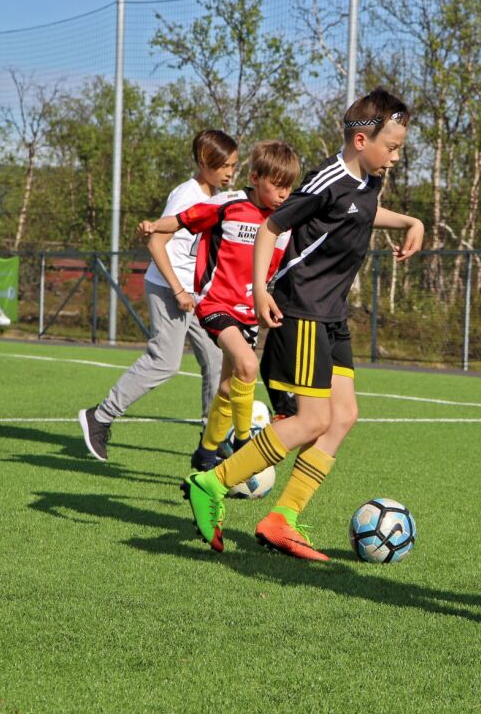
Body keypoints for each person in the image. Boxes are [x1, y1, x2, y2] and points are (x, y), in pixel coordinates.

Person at [180, 88, 424, 558]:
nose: (395, 157)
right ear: (359, 140)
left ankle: (282, 518)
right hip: (302, 309)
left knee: (345, 415)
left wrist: (409, 221)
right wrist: (261, 290)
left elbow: (363, 213)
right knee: (311, 419)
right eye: (391, 147)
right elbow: (271, 228)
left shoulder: (369, 182)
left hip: (333, 315)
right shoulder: (325, 181)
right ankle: (211, 481)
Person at [136, 140, 301, 473]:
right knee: (247, 366)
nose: (284, 194)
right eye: (277, 185)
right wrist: (155, 225)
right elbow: (184, 219)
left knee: (229, 386)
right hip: (214, 303)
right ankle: (242, 445)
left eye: (289, 187)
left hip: (250, 313)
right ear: (255, 177)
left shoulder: (287, 220)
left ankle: (206, 449)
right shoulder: (228, 204)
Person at [78, 130, 237, 461]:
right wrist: (178, 289)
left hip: (196, 294)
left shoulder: (217, 195)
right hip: (169, 289)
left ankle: (212, 441)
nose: (229, 172)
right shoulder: (186, 195)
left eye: (233, 165)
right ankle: (100, 416)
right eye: (224, 166)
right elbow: (156, 243)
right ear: (204, 162)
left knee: (217, 357)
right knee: (165, 362)